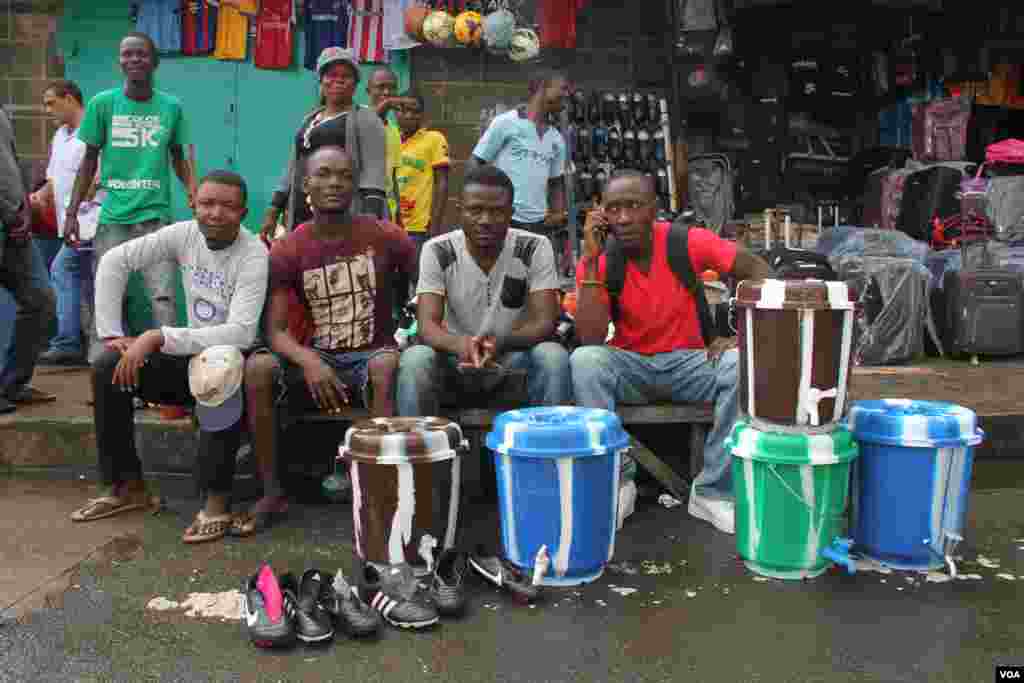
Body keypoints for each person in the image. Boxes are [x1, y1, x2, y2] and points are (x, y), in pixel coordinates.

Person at [69, 171, 269, 545]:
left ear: (243, 212)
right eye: (207, 203)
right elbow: (115, 260)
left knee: (219, 366)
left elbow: (241, 332)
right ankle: (126, 487)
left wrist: (159, 336)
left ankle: (217, 501)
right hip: (190, 358)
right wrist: (112, 335)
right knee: (108, 367)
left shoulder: (253, 253)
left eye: (227, 206)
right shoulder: (183, 234)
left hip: (238, 366)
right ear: (194, 204)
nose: (215, 213)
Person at [570, 170, 772, 535]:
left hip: (690, 364)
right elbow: (590, 338)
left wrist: (742, 334)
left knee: (742, 362)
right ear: (601, 214)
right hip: (632, 366)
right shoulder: (600, 258)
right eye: (614, 208)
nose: (624, 218)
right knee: (585, 361)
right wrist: (589, 262)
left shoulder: (686, 242)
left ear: (655, 209)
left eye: (634, 206)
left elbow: (758, 270)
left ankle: (713, 492)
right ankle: (618, 484)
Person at [243, 146, 416, 537]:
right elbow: (275, 331)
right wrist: (309, 361)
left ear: (355, 184)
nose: (334, 182)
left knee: (386, 364)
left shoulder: (386, 236)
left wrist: (405, 331)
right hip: (316, 355)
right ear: (306, 184)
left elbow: (417, 290)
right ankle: (271, 492)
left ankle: (379, 495)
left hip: (372, 355)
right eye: (323, 174)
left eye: (343, 175)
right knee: (258, 367)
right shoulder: (290, 247)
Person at [396, 165, 571, 418]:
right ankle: (417, 450)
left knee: (552, 356)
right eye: (475, 210)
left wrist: (499, 343)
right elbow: (427, 325)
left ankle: (552, 450)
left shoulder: (534, 247)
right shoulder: (438, 250)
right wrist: (462, 345)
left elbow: (544, 322)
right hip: (455, 360)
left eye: (497, 211)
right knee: (415, 359)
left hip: (511, 357)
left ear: (511, 213)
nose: (486, 220)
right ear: (460, 211)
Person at [63, 32, 195, 362]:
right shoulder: (102, 104)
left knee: (163, 297)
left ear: (155, 62)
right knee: (106, 296)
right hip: (113, 219)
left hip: (155, 216)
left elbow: (179, 157)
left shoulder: (171, 107)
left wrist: (193, 190)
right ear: (120, 61)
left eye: (141, 54)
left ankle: (168, 374)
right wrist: (71, 213)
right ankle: (101, 370)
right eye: (127, 54)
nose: (134, 60)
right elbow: (89, 160)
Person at [262, 47, 388, 239]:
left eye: (346, 75)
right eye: (331, 75)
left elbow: (374, 174)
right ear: (321, 80)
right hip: (301, 212)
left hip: (339, 213)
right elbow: (292, 167)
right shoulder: (309, 119)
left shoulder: (366, 119)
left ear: (356, 84)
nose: (338, 80)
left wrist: (370, 221)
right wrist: (274, 208)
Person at [34, 80, 105, 366]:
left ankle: (67, 343)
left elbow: (98, 176)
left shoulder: (94, 131)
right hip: (69, 224)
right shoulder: (60, 135)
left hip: (91, 220)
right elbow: (54, 178)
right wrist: (39, 196)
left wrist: (80, 200)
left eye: (52, 103)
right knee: (91, 283)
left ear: (71, 100)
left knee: (62, 269)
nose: (48, 109)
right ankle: (101, 343)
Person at [0, 107, 56, 413]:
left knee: (40, 299)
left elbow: (9, 163)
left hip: (15, 226)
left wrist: (23, 206)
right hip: (7, 217)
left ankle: (11, 383)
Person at [469, 70, 569, 236]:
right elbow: (476, 161)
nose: (566, 94)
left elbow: (556, 181)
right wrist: (480, 204)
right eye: (562, 88)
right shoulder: (506, 123)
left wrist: (557, 214)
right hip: (503, 219)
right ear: (542, 88)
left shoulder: (556, 139)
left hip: (538, 225)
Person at [395, 91, 450, 249]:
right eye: (404, 110)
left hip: (419, 228)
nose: (409, 115)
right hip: (390, 223)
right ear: (395, 112)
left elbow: (442, 183)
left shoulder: (433, 139)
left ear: (422, 114)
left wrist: (435, 227)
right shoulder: (388, 138)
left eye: (415, 111)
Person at [365, 65, 403, 225]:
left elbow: (393, 176)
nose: (387, 93)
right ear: (368, 91)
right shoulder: (357, 117)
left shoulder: (394, 131)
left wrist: (398, 212)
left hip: (387, 211)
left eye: (392, 88)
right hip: (363, 207)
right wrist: (385, 106)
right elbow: (370, 123)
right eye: (381, 87)